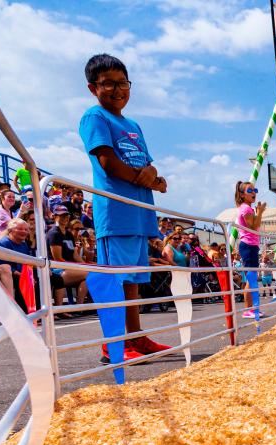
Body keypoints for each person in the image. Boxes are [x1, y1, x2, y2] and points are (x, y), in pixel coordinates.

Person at [80, 53, 171, 361]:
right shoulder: (95, 117)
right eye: (108, 84)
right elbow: (107, 163)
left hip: (139, 211)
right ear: (93, 88)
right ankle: (113, 344)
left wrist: (154, 178)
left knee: (133, 280)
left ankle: (135, 337)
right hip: (116, 211)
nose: (117, 90)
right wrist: (144, 177)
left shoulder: (132, 124)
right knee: (117, 279)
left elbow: (148, 165)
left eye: (123, 83)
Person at [233, 180, 266, 318]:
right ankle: (248, 310)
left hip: (251, 245)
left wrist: (258, 212)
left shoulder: (248, 208)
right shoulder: (246, 208)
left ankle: (251, 309)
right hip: (248, 245)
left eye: (255, 190)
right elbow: (253, 227)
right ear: (242, 194)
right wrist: (260, 213)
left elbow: (254, 226)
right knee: (251, 278)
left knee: (251, 278)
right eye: (250, 191)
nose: (254, 193)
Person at [47, 204, 90, 305]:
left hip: (70, 268)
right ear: (55, 217)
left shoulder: (68, 234)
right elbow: (58, 259)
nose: (65, 218)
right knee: (90, 274)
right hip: (58, 270)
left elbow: (75, 254)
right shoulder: (54, 234)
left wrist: (86, 266)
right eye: (62, 216)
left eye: (66, 215)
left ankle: (79, 307)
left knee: (89, 275)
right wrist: (79, 268)